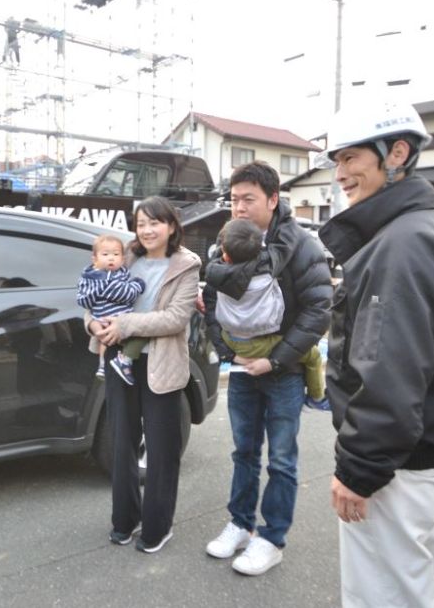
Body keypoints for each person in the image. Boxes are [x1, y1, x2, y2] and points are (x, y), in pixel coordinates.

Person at [317, 100, 434, 608]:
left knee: (385, 595)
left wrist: (359, 469)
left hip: (397, 470)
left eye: (351, 157)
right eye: (337, 160)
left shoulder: (401, 243)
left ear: (396, 153)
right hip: (427, 459)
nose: (341, 173)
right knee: (431, 584)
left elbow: (389, 370)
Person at [203, 161, 331, 576]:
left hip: (285, 372)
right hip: (243, 369)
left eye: (248, 199)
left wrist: (275, 359)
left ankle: (272, 538)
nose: (238, 208)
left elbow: (318, 312)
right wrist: (229, 353)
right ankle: (240, 523)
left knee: (281, 459)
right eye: (234, 199)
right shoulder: (225, 243)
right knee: (243, 452)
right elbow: (210, 305)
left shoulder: (302, 247)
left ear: (273, 200)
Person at [88, 196, 201, 554]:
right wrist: (93, 324)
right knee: (121, 443)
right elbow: (94, 300)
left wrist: (124, 324)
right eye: (141, 224)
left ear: (171, 226)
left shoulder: (186, 265)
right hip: (122, 360)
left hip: (162, 364)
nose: (148, 230)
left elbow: (175, 318)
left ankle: (157, 527)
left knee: (162, 449)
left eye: (155, 223)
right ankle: (124, 521)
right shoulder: (126, 258)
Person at [204, 218, 329, 409]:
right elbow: (281, 249)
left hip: (232, 342)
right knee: (313, 356)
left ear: (225, 255)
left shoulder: (216, 277)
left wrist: (228, 354)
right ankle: (317, 397)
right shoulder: (269, 273)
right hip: (267, 345)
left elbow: (210, 311)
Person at [76, 234, 147, 382]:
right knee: (137, 336)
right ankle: (121, 361)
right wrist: (138, 285)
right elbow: (125, 294)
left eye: (116, 254)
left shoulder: (122, 273)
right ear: (94, 259)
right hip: (107, 317)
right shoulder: (92, 278)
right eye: (105, 254)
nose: (111, 258)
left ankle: (107, 364)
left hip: (120, 318)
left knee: (110, 340)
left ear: (122, 259)